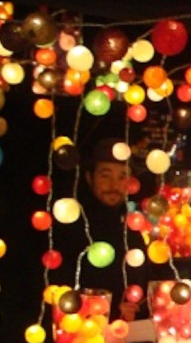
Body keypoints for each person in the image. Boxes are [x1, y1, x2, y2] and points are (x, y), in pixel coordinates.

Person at [50, 137, 173, 322]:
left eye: (122, 176)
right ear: (89, 177)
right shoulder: (72, 226)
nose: (114, 186)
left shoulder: (130, 228)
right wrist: (110, 311)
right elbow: (63, 291)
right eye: (105, 176)